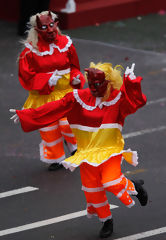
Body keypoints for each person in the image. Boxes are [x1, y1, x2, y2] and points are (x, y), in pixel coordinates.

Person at [10, 62, 148, 238]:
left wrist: (132, 84)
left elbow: (136, 102)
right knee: (93, 192)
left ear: (108, 82)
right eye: (90, 83)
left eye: (97, 84)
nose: (92, 87)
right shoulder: (78, 98)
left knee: (111, 182)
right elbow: (54, 108)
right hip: (85, 153)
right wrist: (27, 115)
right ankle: (107, 221)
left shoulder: (117, 99)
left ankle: (135, 186)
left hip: (109, 150)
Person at [17, 11, 85, 171]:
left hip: (66, 93)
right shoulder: (30, 51)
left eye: (52, 26)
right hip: (45, 96)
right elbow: (26, 76)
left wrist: (76, 77)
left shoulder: (66, 43)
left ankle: (76, 148)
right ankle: (56, 158)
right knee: (50, 129)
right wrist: (46, 79)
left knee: (68, 123)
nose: (50, 31)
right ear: (37, 30)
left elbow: (74, 67)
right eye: (45, 28)